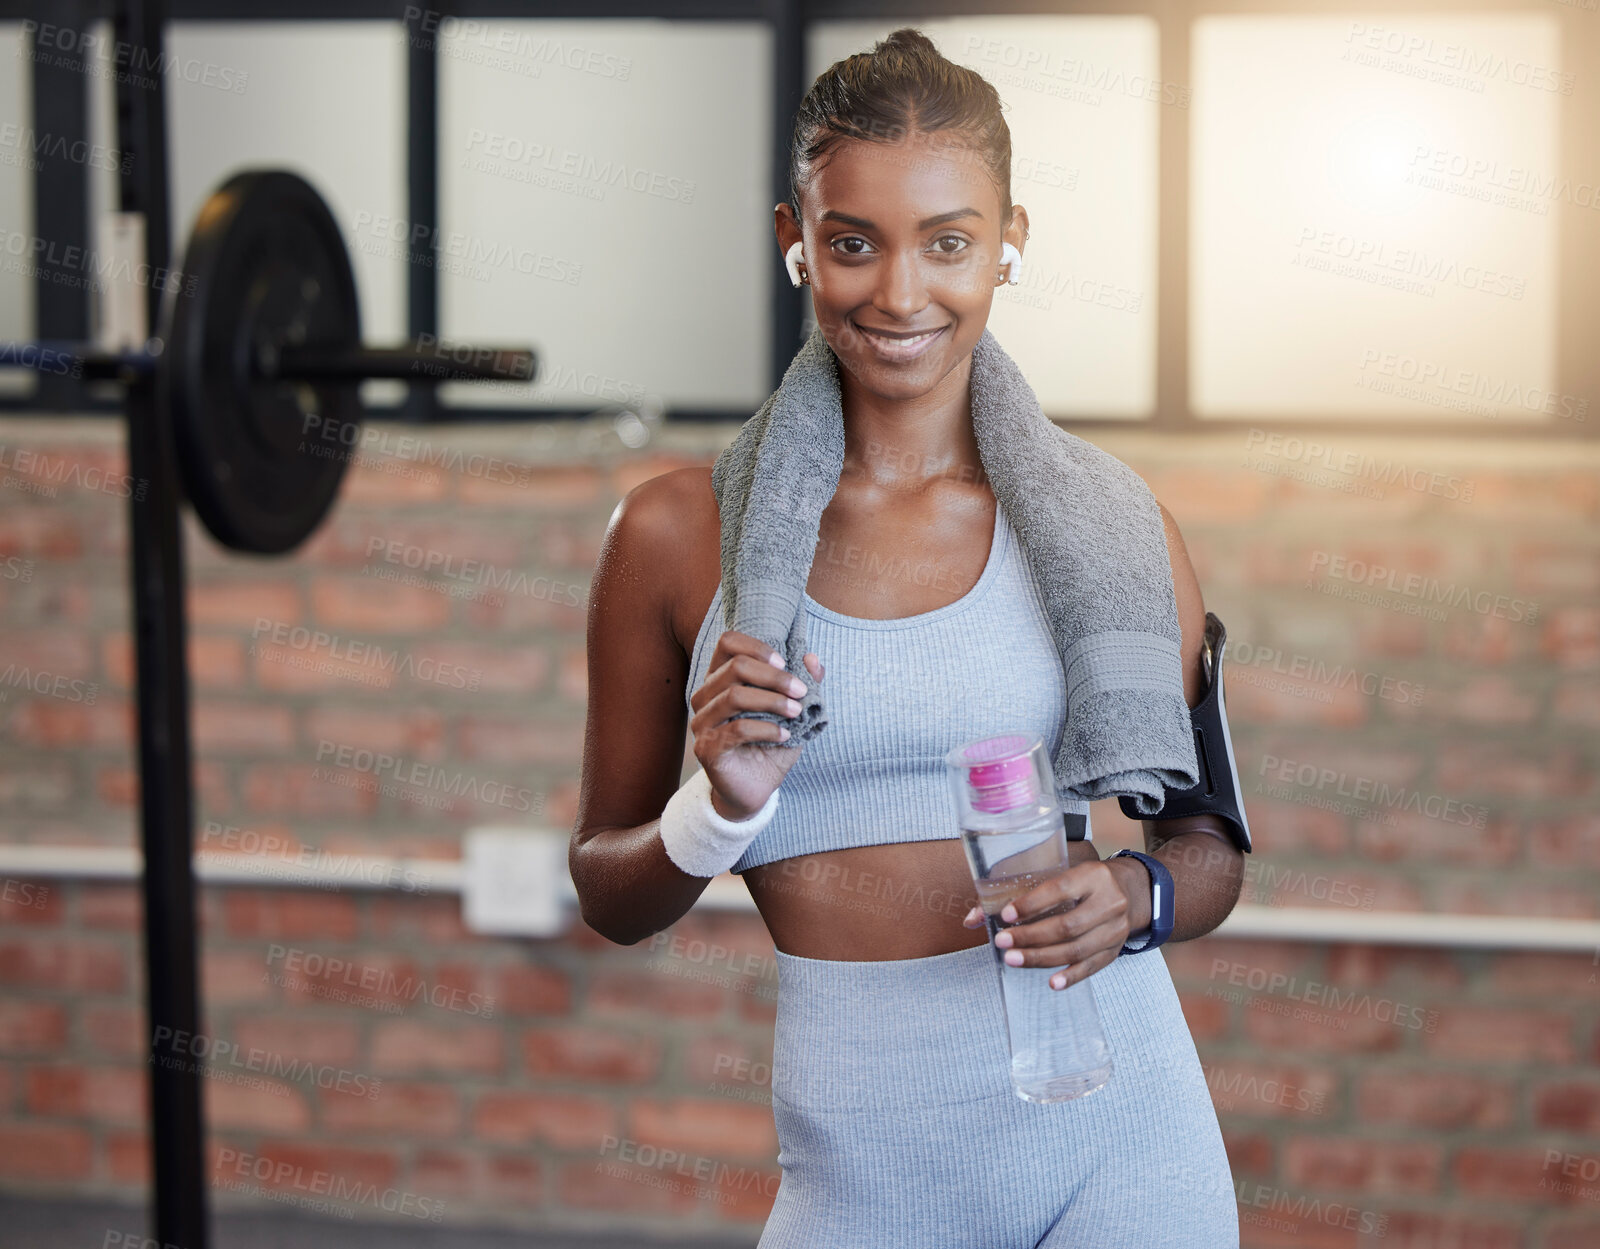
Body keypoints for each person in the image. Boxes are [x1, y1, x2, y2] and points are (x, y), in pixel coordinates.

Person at [572, 27, 1245, 1248]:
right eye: (851, 242)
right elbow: (609, 895)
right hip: (863, 1167)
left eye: (948, 242)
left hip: (1121, 1134)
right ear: (795, 239)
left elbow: (1207, 844)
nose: (898, 293)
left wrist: (1132, 894)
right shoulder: (675, 535)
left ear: (1009, 244)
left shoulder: (1110, 524)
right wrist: (714, 810)